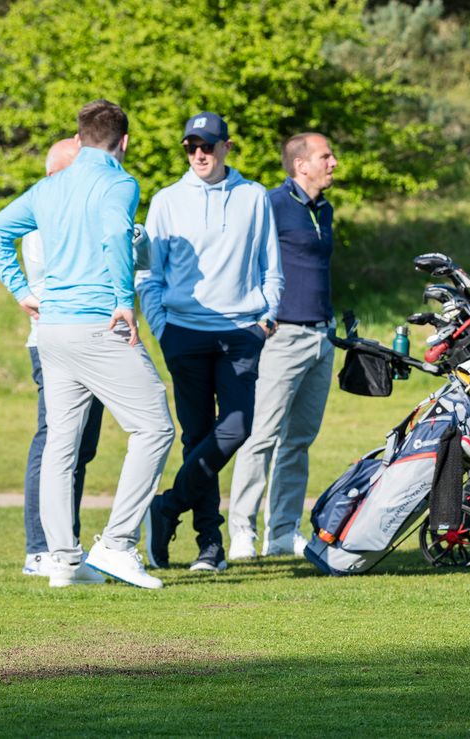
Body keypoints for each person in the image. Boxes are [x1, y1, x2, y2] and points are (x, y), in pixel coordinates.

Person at [0, 99, 174, 589]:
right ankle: (116, 544)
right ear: (123, 141)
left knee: (61, 447)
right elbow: (115, 236)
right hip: (95, 325)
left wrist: (22, 291)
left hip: (52, 333)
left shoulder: (51, 186)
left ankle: (64, 561)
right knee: (154, 425)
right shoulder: (119, 182)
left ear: (80, 136)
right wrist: (123, 299)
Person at [140, 112, 283, 573]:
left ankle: (166, 508)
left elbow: (271, 266)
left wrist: (266, 317)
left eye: (207, 145)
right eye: (190, 147)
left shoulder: (254, 196)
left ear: (227, 146)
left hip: (242, 331)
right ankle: (210, 545)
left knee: (238, 426)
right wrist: (161, 326)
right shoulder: (166, 201)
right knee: (197, 437)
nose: (198, 154)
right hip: (183, 331)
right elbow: (148, 272)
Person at [227, 132, 338, 560]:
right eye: (325, 157)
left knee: (298, 440)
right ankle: (242, 530)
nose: (333, 163)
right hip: (281, 336)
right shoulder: (271, 204)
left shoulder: (324, 209)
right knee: (263, 435)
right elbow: (244, 257)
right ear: (301, 165)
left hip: (321, 337)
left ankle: (282, 530)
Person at [18, 138, 106, 577]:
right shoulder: (45, 214)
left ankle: (64, 543)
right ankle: (41, 547)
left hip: (95, 335)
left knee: (82, 446)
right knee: (54, 440)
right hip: (57, 338)